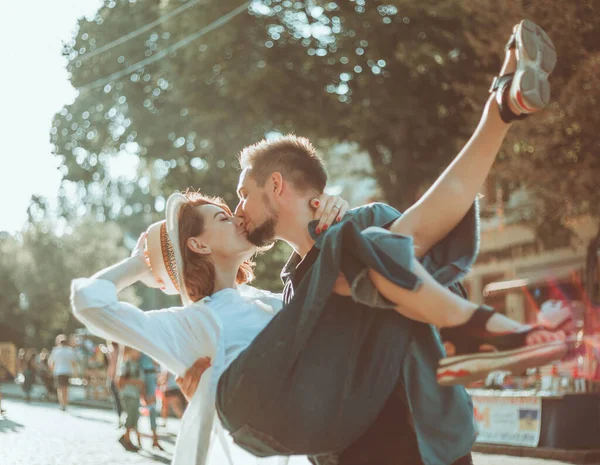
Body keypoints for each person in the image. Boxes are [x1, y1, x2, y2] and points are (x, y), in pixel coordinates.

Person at [72, 20, 565, 465]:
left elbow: (433, 218)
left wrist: (497, 115)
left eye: (241, 197)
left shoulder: (335, 248)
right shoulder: (291, 295)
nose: (239, 212)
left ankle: (501, 109)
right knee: (360, 244)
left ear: (278, 186)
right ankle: (471, 330)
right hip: (348, 445)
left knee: (366, 238)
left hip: (427, 441)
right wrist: (208, 380)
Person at [71, 193, 349, 465]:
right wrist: (138, 265)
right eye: (223, 218)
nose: (238, 219)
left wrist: (332, 212)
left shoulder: (270, 299)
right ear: (198, 244)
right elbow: (89, 301)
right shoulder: (193, 323)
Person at [117, 346, 144, 452]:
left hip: (135, 394)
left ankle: (127, 439)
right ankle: (126, 439)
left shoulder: (137, 364)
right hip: (128, 394)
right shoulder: (127, 364)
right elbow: (121, 381)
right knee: (130, 417)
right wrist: (135, 382)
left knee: (134, 417)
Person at [138, 352, 163, 450]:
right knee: (140, 411)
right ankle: (143, 438)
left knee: (152, 410)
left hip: (150, 379)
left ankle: (155, 439)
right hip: (144, 379)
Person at [48, 334, 77, 411]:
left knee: (60, 388)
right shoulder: (70, 350)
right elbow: (74, 363)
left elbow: (50, 363)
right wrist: (74, 371)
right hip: (67, 371)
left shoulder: (56, 350)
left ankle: (62, 404)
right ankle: (66, 403)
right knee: (66, 388)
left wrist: (53, 370)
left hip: (59, 371)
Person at [105, 341, 123, 426]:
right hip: (116, 377)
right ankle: (121, 418)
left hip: (114, 377)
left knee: (117, 400)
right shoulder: (120, 351)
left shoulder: (113, 352)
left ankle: (120, 418)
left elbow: (112, 366)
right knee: (118, 400)